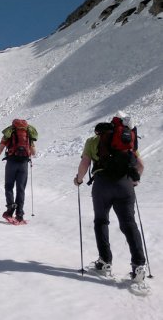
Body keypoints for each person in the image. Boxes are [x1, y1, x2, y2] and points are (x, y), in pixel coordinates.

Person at [74, 114, 146, 281]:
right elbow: (140, 165)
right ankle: (138, 267)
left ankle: (105, 262)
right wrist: (133, 182)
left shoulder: (93, 141)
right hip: (125, 185)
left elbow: (85, 163)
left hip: (102, 185)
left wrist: (79, 179)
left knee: (101, 221)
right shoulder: (127, 143)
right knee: (129, 224)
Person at [0, 119, 37, 223]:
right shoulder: (28, 134)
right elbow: (33, 152)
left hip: (11, 163)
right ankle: (19, 215)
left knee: (9, 186)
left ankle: (10, 210)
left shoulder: (9, 133)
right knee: (21, 189)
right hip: (24, 164)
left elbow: (1, 149)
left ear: (13, 125)